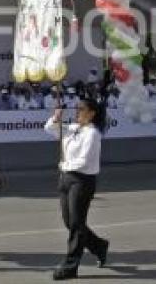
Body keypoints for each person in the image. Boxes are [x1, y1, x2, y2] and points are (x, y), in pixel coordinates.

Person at [44, 98, 109, 280]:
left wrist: (65, 165)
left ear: (92, 113)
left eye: (81, 109)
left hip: (82, 180)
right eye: (76, 108)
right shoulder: (73, 128)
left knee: (77, 224)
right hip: (66, 179)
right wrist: (55, 117)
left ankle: (71, 266)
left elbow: (84, 160)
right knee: (69, 222)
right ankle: (99, 246)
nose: (77, 111)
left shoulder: (93, 134)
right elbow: (50, 129)